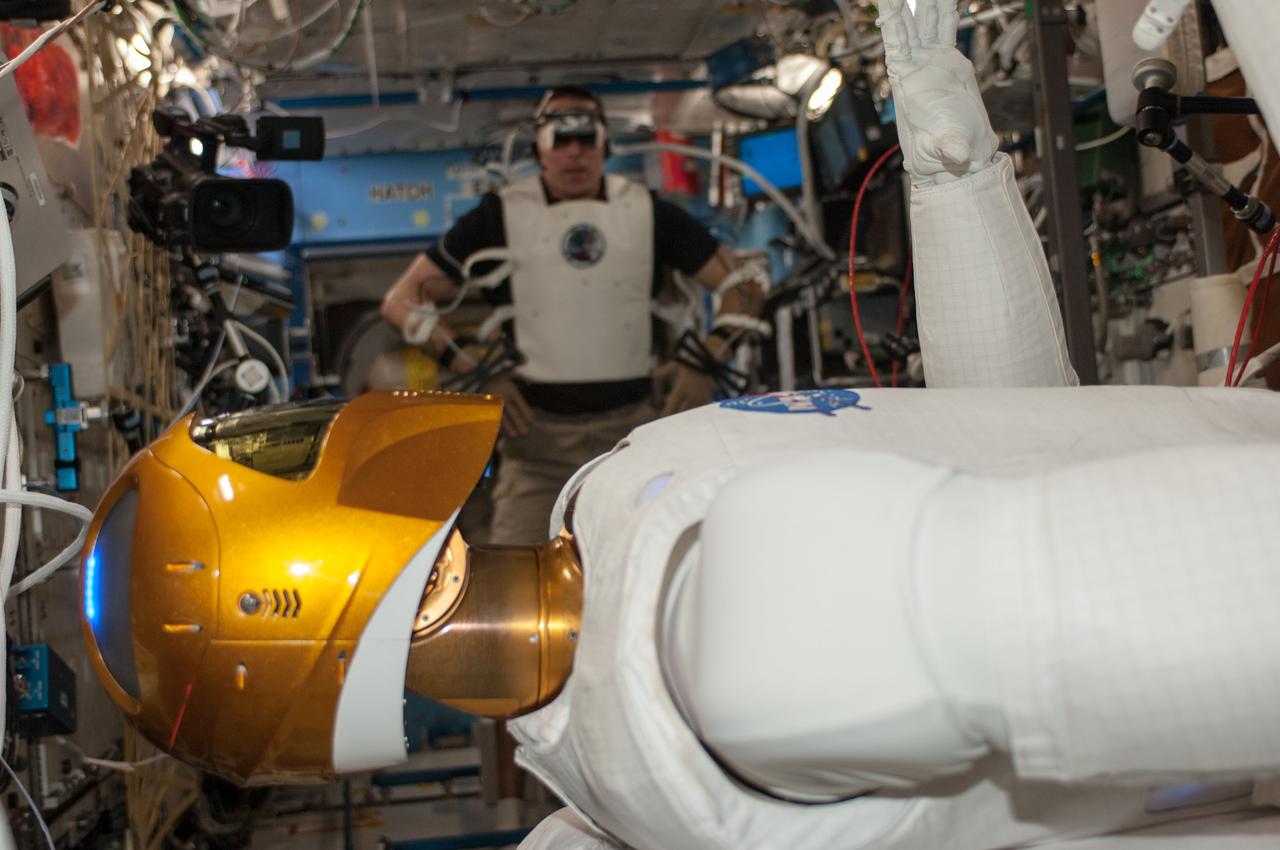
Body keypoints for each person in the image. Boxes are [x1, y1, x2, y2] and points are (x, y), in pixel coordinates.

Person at [79, 1, 1280, 848]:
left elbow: (1010, 443)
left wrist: (951, 175)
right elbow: (1180, 593)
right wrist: (461, 350)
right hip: (548, 434)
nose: (311, 422)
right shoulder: (736, 636)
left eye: (582, 132)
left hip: (621, 426)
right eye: (282, 450)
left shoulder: (625, 625)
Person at [380, 84, 765, 545]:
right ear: (539, 147)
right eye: (561, 139)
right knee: (517, 576)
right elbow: (401, 301)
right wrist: (476, 368)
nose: (575, 152)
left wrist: (706, 359)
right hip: (535, 447)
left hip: (636, 439)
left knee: (656, 555)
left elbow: (745, 288)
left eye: (587, 138)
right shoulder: (498, 216)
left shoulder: (648, 211)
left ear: (605, 143)